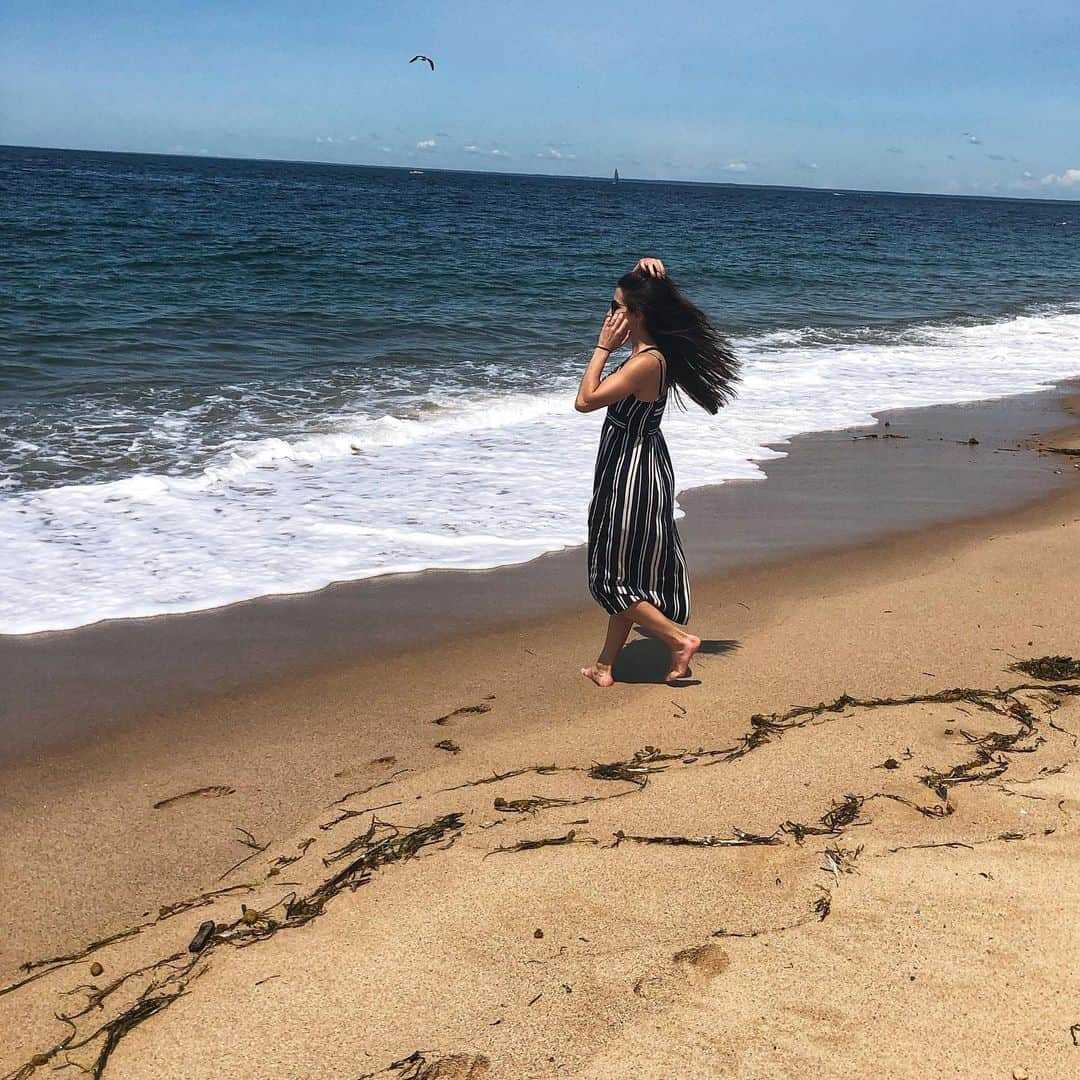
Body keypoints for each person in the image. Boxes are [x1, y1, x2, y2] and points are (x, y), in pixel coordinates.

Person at [575, 257, 740, 686]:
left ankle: (679, 640)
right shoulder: (646, 349)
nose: (610, 315)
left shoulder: (645, 361)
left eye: (616, 308)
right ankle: (606, 666)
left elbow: (585, 400)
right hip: (638, 464)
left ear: (638, 315)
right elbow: (642, 297)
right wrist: (645, 269)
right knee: (630, 571)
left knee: (609, 580)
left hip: (630, 472)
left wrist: (602, 346)